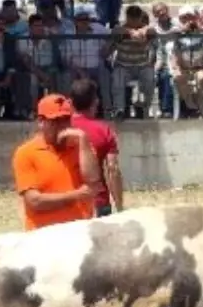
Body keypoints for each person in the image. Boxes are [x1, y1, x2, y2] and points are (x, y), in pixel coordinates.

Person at [11, 94, 101, 231]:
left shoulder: (82, 148)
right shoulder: (26, 153)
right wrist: (77, 195)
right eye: (56, 121)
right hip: (43, 235)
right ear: (41, 122)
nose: (63, 126)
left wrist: (83, 139)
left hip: (80, 234)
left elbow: (93, 182)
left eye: (66, 120)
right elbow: (34, 202)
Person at [68, 78, 123, 217]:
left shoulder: (64, 129)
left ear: (71, 102)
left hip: (68, 200)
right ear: (96, 101)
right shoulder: (104, 130)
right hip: (98, 202)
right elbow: (113, 170)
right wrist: (120, 207)